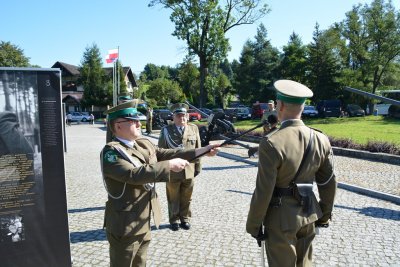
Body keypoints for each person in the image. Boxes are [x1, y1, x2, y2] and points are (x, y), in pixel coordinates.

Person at [100, 100, 219, 267]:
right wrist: (169, 166)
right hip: (124, 225)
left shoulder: (142, 144)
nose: (139, 123)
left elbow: (168, 153)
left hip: (143, 220)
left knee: (140, 264)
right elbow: (134, 174)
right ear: (118, 126)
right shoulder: (112, 152)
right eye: (133, 121)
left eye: (138, 119)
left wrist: (202, 151)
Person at [246, 80, 337, 267]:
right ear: (303, 106)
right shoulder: (321, 139)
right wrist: (325, 214)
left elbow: (264, 190)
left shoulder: (272, 142)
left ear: (280, 105)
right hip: (310, 213)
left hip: (281, 218)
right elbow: (328, 182)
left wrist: (253, 225)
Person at [157, 103, 201, 231]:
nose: (182, 118)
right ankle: (174, 219)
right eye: (179, 115)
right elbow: (161, 151)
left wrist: (198, 167)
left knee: (187, 197)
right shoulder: (166, 130)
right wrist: (164, 168)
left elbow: (198, 149)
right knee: (173, 196)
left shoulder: (194, 129)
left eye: (184, 115)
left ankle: (184, 218)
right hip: (173, 170)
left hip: (189, 170)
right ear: (173, 117)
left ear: (187, 116)